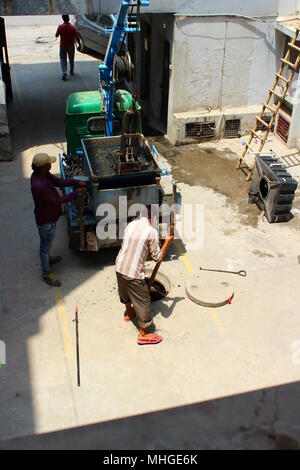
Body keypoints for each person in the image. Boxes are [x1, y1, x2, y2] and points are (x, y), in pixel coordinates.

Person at [115, 206, 173, 345]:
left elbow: (125, 245)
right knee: (144, 301)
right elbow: (157, 257)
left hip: (119, 265)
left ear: (140, 214)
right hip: (133, 273)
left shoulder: (131, 224)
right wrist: (166, 242)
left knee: (125, 292)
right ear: (153, 218)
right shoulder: (150, 231)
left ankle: (129, 314)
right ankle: (144, 333)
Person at [31, 153, 87, 287]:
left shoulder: (42, 175)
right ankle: (46, 274)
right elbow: (56, 201)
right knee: (45, 246)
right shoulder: (39, 186)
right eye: (49, 163)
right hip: (45, 219)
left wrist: (76, 182)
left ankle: (49, 259)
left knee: (48, 241)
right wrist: (75, 193)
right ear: (43, 167)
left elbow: (59, 182)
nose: (51, 165)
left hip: (50, 216)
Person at [55, 14, 79, 81]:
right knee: (71, 59)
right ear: (68, 18)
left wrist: (57, 34)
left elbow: (56, 35)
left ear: (63, 19)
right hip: (71, 46)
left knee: (63, 60)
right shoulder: (72, 27)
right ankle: (71, 71)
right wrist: (79, 43)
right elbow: (76, 36)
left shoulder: (60, 27)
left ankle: (64, 73)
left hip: (63, 46)